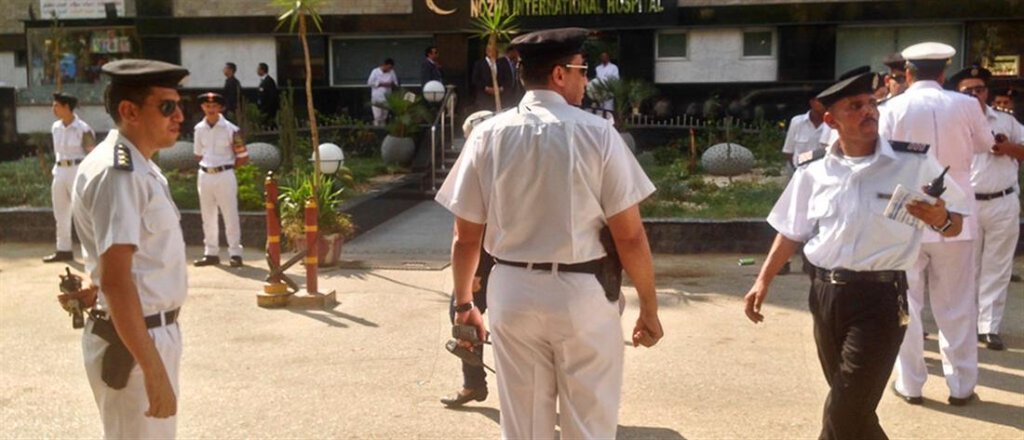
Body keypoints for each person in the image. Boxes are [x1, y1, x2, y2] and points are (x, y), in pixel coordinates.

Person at [435, 28, 663, 438]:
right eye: (582, 70)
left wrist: (465, 303)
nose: (586, 80)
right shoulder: (598, 133)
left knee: (524, 427)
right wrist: (649, 306)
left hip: (512, 292)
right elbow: (629, 237)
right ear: (560, 74)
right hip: (582, 294)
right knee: (588, 425)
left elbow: (465, 237)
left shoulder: (487, 134)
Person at [744, 71, 969, 439]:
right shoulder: (813, 169)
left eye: (871, 103)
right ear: (830, 120)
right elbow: (790, 230)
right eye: (855, 106)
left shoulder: (913, 162)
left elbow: (955, 222)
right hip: (825, 295)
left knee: (844, 408)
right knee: (854, 409)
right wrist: (762, 280)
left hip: (880, 298)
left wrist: (940, 219)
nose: (868, 111)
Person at [67, 58, 190, 438]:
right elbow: (118, 281)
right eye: (167, 106)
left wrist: (95, 286)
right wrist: (152, 370)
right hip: (135, 343)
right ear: (129, 111)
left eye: (178, 105)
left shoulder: (140, 167)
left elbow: (130, 264)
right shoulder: (118, 174)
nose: (179, 116)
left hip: (146, 333)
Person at [880, 42, 996, 407]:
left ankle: (910, 384)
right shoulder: (967, 104)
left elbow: (881, 157)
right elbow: (985, 144)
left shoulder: (891, 107)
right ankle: (961, 387)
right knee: (957, 304)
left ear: (908, 73)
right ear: (944, 73)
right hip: (956, 214)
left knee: (907, 303)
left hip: (907, 212)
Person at [949, 65, 1024, 351]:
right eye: (967, 90)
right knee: (967, 267)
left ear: (986, 92)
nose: (974, 95)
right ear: (958, 93)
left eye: (978, 89)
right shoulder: (951, 121)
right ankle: (966, 322)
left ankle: (989, 327)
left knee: (998, 266)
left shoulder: (1006, 120)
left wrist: (1006, 148)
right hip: (967, 203)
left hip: (1003, 201)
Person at [440, 110, 497, 408]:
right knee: (462, 316)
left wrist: (476, 272)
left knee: (464, 315)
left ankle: (475, 384)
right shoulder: (482, 162)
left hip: (488, 257)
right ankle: (473, 383)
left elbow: (470, 234)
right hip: (488, 256)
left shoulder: (491, 164)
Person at [192, 92, 248, 268]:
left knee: (230, 214)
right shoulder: (199, 129)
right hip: (205, 175)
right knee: (207, 215)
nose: (211, 109)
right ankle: (211, 253)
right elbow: (198, 154)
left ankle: (235, 253)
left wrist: (226, 168)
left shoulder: (231, 129)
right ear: (202, 107)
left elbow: (242, 156)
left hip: (224, 174)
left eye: (214, 106)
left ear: (220, 108)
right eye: (207, 106)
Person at [44, 92, 96, 263]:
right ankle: (63, 249)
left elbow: (91, 152)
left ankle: (90, 252)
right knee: (60, 212)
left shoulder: (83, 128)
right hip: (59, 171)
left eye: (56, 106)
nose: (53, 109)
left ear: (67, 107)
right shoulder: (55, 127)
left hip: (77, 170)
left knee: (82, 213)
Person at [367, 58, 399, 127]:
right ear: (384, 65)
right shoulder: (375, 71)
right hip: (377, 98)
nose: (389, 69)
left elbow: (396, 83)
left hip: (387, 98)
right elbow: (369, 82)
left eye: (391, 68)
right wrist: (380, 84)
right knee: (377, 116)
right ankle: (376, 129)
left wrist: (391, 84)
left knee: (384, 117)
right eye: (389, 67)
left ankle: (383, 130)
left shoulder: (392, 72)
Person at [471, 45, 499, 111]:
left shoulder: (499, 63)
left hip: (496, 99)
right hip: (483, 98)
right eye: (491, 51)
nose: (493, 53)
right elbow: (475, 80)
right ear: (487, 52)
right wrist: (486, 88)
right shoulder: (479, 64)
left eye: (495, 51)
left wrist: (500, 88)